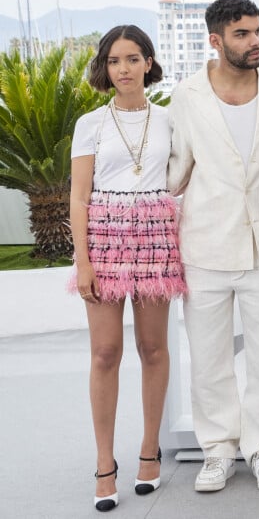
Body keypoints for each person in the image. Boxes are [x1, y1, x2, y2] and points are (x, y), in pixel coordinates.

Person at [167, 0, 259, 493]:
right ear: (216, 41)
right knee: (210, 358)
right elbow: (176, 169)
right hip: (204, 246)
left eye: (258, 31)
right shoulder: (187, 95)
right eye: (242, 34)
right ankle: (217, 450)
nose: (255, 41)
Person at [69, 25, 187, 512]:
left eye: (133, 59)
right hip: (105, 241)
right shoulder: (90, 123)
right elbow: (79, 195)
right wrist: (83, 262)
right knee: (105, 353)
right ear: (105, 66)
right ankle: (103, 463)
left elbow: (185, 173)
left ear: (149, 63)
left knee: (154, 348)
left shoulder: (169, 120)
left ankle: (149, 450)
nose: (124, 69)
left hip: (156, 240)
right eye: (115, 60)